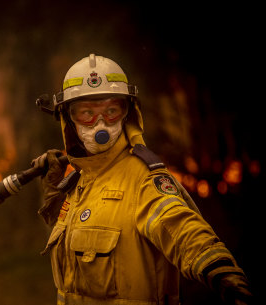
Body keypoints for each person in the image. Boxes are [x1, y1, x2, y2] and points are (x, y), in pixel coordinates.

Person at [32, 54, 253, 305]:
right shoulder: (79, 179)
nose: (100, 124)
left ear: (128, 114)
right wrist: (55, 195)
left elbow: (180, 227)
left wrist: (222, 272)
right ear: (68, 119)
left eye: (112, 111)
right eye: (86, 113)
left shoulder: (144, 180)